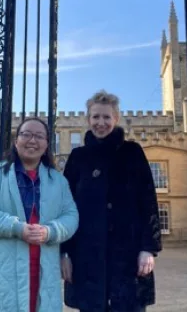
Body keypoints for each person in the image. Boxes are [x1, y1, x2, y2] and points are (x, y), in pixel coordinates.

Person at [61, 91, 162, 312]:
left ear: (116, 119)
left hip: (128, 254)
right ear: (88, 120)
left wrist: (148, 248)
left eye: (107, 117)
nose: (101, 123)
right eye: (96, 117)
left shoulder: (132, 152)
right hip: (86, 255)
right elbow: (65, 207)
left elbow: (147, 201)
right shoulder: (78, 157)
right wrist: (65, 252)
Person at [0, 118, 79, 312]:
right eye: (26, 134)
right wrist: (17, 228)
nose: (32, 140)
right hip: (1, 275)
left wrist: (50, 231)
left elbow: (71, 216)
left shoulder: (58, 181)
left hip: (42, 271)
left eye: (39, 136)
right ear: (16, 141)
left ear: (46, 144)